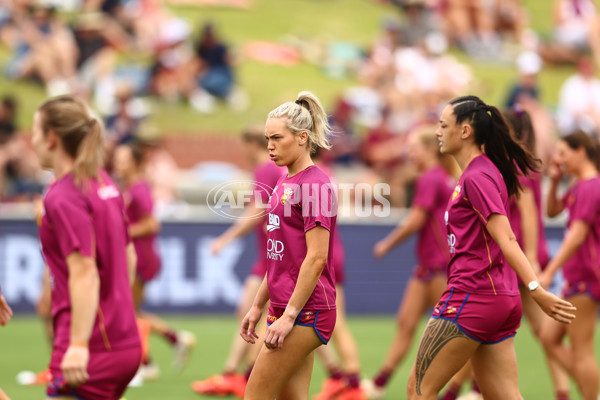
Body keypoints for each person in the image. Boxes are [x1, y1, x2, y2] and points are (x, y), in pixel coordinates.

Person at [406, 95, 576, 400]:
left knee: (419, 392)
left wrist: (536, 289)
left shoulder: (477, 176)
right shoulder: (482, 171)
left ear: (466, 131)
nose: (437, 132)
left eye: (443, 125)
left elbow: (507, 237)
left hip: (473, 296)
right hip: (498, 298)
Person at [31, 95, 141, 400]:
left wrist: (78, 345)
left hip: (90, 347)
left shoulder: (63, 195)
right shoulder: (103, 182)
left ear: (51, 138)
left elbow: (84, 273)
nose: (32, 140)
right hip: (123, 340)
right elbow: (129, 257)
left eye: (35, 132)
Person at [240, 91, 337, 399]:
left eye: (277, 138)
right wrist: (258, 305)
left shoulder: (315, 186)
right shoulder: (285, 181)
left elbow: (316, 259)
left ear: (301, 137)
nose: (269, 146)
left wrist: (290, 316)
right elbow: (280, 257)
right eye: (268, 138)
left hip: (308, 311)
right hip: (284, 308)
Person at [361, 126, 457, 400]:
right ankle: (380, 383)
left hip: (439, 266)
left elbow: (416, 219)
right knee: (406, 322)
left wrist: (386, 244)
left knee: (453, 334)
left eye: (413, 147)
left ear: (429, 150)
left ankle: (461, 389)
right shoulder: (442, 177)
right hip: (428, 266)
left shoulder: (431, 177)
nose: (408, 153)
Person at [191, 124, 284, 397]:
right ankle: (234, 373)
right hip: (269, 254)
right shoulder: (268, 170)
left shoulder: (266, 169)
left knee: (255, 316)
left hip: (272, 255)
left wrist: (225, 239)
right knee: (249, 313)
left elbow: (257, 211)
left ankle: (240, 375)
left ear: (250, 144)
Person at [112, 142, 196, 381]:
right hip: (135, 257)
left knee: (126, 313)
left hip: (141, 258)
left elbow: (152, 223)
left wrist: (122, 231)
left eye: (123, 159)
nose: (118, 164)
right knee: (130, 311)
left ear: (136, 163)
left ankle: (147, 364)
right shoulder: (130, 188)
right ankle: (175, 339)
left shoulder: (139, 190)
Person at [504, 107, 570, 400]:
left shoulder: (515, 166)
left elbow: (529, 212)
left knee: (489, 323)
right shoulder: (524, 163)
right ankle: (563, 390)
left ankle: (466, 389)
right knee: (543, 334)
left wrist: (529, 256)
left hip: (519, 256)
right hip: (523, 254)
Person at [540, 132, 600, 400]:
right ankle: (591, 391)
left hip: (587, 275)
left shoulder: (590, 187)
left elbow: (576, 235)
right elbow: (552, 212)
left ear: (581, 152)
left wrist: (549, 271)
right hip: (577, 277)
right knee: (549, 337)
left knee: (582, 349)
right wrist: (553, 183)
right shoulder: (579, 186)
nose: (558, 159)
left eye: (563, 153)